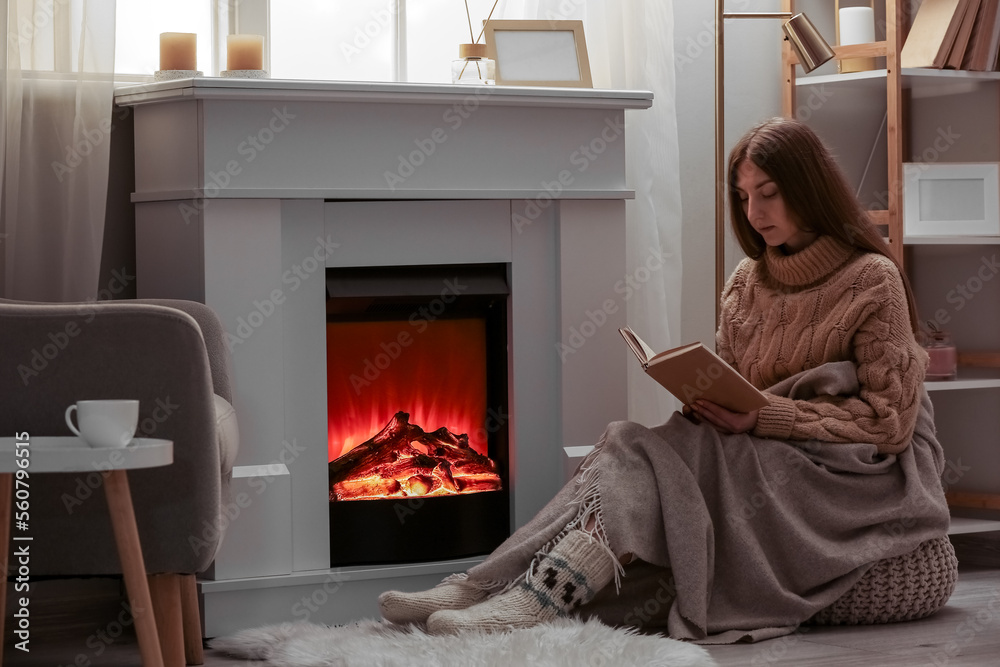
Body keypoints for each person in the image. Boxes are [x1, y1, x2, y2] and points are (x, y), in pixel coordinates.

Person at [378, 117, 952, 642]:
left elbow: (890, 422)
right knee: (629, 441)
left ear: (810, 187)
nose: (754, 211)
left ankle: (514, 595)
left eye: (770, 193)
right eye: (745, 196)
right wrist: (709, 400)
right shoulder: (745, 283)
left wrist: (766, 416)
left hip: (848, 470)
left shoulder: (871, 279)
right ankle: (492, 589)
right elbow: (734, 381)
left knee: (648, 451)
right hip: (759, 446)